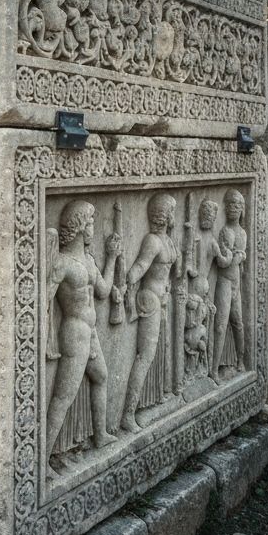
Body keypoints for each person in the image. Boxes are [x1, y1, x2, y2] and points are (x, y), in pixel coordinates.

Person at [45, 200, 119, 475]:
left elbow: (103, 290)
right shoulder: (62, 263)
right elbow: (44, 299)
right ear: (77, 227)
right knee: (63, 396)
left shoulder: (88, 260)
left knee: (101, 376)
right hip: (75, 332)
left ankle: (100, 435)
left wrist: (112, 258)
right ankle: (42, 459)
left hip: (92, 331)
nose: (92, 228)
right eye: (89, 223)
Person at [121, 193, 180, 432]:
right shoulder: (153, 241)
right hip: (150, 300)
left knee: (160, 350)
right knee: (145, 355)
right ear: (164, 215)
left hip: (163, 298)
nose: (174, 215)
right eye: (172, 211)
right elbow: (139, 268)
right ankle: (127, 414)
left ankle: (155, 396)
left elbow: (173, 271)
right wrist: (127, 278)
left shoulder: (168, 240)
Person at [211, 188, 247, 380]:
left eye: (237, 204)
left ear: (242, 209)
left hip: (236, 285)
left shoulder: (242, 233)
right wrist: (235, 256)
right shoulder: (225, 231)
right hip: (224, 282)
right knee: (220, 324)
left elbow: (239, 259)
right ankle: (214, 369)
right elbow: (223, 262)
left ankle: (241, 361)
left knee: (238, 323)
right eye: (230, 204)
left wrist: (239, 256)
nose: (233, 208)